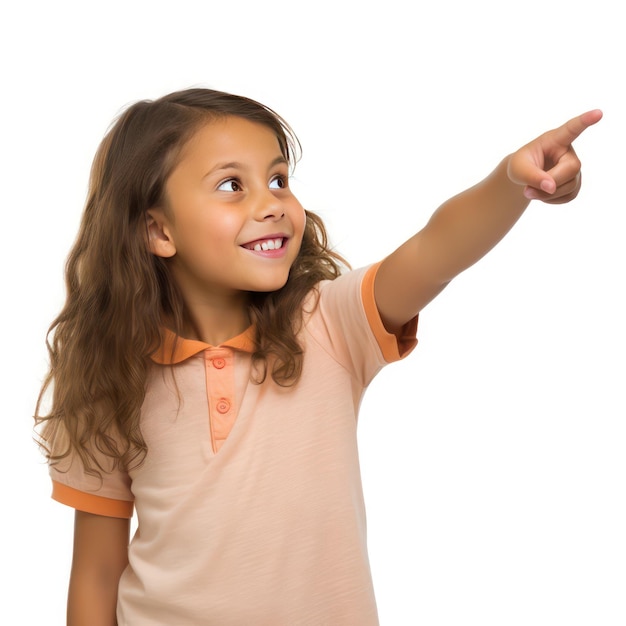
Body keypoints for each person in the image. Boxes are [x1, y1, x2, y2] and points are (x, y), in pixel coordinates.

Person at [34, 87, 602, 625]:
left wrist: (509, 183)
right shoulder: (110, 374)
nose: (272, 203)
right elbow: (97, 570)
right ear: (158, 231)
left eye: (278, 178)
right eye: (232, 185)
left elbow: (436, 250)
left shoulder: (328, 326)